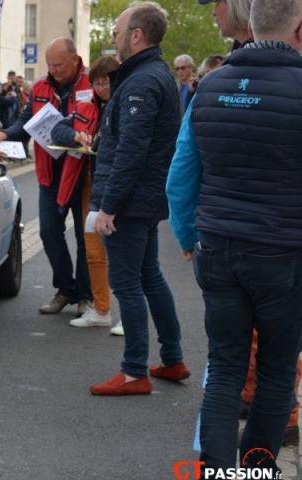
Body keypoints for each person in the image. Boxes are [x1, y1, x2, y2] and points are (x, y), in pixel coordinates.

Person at [167, 0, 302, 471]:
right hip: (283, 253)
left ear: (252, 23)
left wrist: (187, 235)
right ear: (298, 27)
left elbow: (182, 173)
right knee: (277, 373)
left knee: (224, 368)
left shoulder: (209, 86)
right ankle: (258, 467)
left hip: (219, 248)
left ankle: (213, 467)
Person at [87, 2, 188, 396]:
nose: (113, 36)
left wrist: (108, 206)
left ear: (136, 36)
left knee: (126, 284)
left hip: (130, 203)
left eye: (117, 30)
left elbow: (132, 149)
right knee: (149, 277)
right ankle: (173, 358)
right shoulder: (149, 75)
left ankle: (133, 371)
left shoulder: (142, 81)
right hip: (143, 200)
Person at [0, 37, 93, 318]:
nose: (54, 70)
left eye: (59, 65)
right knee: (49, 232)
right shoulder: (40, 86)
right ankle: (66, 289)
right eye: (50, 64)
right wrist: (6, 134)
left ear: (75, 60)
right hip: (50, 174)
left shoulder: (91, 83)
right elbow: (25, 123)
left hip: (82, 174)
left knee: (86, 238)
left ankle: (86, 295)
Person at [60, 54, 122, 335]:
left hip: (119, 187)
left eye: (105, 82)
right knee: (94, 251)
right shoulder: (88, 106)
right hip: (90, 185)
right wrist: (75, 136)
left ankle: (129, 315)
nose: (100, 88)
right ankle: (101, 309)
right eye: (95, 82)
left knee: (126, 256)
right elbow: (57, 127)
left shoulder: (126, 104)